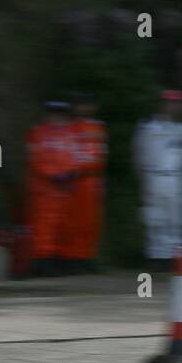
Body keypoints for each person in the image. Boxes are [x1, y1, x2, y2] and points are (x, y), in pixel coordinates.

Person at [133, 89, 182, 269]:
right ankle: (156, 256)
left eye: (176, 103)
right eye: (168, 102)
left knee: (177, 217)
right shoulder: (147, 127)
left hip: (176, 177)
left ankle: (178, 257)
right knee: (155, 218)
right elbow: (139, 155)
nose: (172, 106)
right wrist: (142, 179)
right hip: (153, 176)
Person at [25, 101, 82, 277]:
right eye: (54, 114)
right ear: (47, 116)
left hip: (64, 188)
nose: (58, 118)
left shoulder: (70, 134)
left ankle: (60, 260)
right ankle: (43, 262)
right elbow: (35, 160)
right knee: (44, 226)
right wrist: (52, 175)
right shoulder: (37, 134)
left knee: (63, 226)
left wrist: (72, 173)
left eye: (61, 115)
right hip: (45, 188)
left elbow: (75, 157)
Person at [62, 93, 108, 273]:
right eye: (80, 105)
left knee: (92, 221)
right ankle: (72, 258)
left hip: (93, 179)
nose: (83, 109)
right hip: (75, 179)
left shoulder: (99, 128)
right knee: (73, 219)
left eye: (87, 105)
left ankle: (88, 257)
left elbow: (102, 155)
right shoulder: (69, 127)